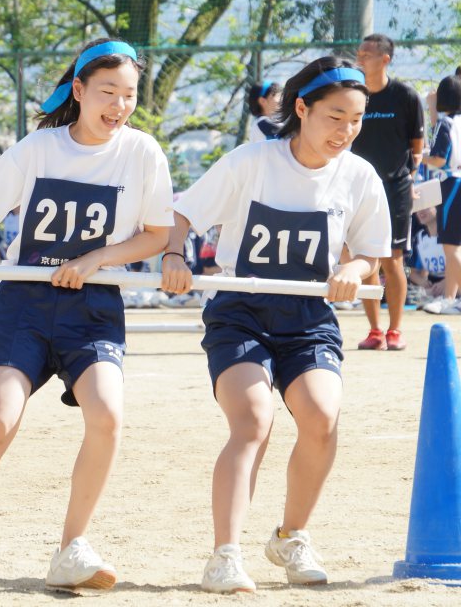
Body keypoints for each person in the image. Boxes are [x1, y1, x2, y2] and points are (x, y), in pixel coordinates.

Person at [0, 38, 173, 594]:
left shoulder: (143, 153)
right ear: (80, 90)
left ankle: (72, 548)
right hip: (24, 304)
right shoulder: (39, 147)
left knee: (108, 416)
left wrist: (97, 258)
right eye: (108, 92)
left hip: (94, 309)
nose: (119, 105)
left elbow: (157, 236)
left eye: (130, 95)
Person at [160, 56, 390, 594]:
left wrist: (350, 272)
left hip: (309, 317)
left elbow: (370, 257)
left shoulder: (359, 176)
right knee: (253, 419)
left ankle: (291, 535)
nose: (346, 131)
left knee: (322, 416)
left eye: (356, 120)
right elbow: (183, 214)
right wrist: (174, 255)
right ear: (302, 109)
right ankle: (225, 554)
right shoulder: (252, 161)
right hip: (240, 310)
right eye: (335, 117)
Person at [351, 34, 424, 351]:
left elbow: (417, 147)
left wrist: (409, 178)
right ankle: (374, 331)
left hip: (395, 189)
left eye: (367, 53)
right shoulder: (354, 95)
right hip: (359, 189)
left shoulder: (404, 95)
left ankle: (395, 330)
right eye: (359, 52)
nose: (360, 57)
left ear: (385, 59)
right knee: (365, 258)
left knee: (392, 259)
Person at [420, 74, 461, 314]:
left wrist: (418, 157)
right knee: (455, 246)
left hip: (453, 184)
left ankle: (451, 298)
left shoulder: (448, 123)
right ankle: (449, 298)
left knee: (451, 246)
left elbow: (438, 159)